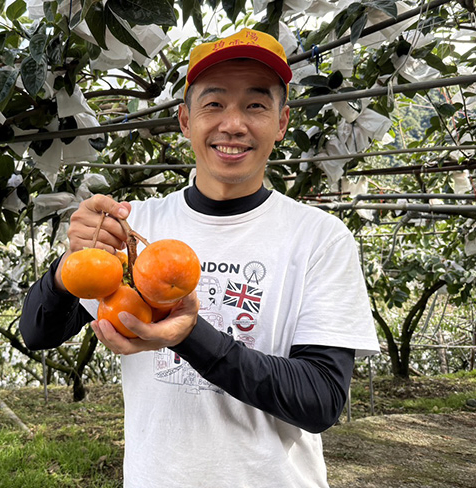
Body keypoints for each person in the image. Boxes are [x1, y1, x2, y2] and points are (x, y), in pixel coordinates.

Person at [20, 28, 380, 487]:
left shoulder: (319, 238)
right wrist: (69, 263)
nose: (233, 124)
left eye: (255, 104)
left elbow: (320, 400)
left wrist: (191, 337)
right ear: (185, 121)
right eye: (213, 104)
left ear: (282, 121)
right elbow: (37, 332)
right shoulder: (134, 230)